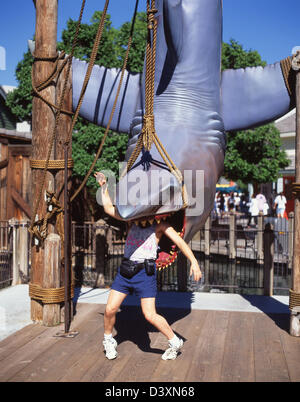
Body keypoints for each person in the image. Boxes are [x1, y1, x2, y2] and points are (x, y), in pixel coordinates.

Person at [94, 172, 202, 361]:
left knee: (150, 314)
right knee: (110, 309)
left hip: (145, 273)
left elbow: (180, 241)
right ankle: (108, 340)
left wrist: (194, 262)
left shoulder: (160, 225)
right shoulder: (130, 220)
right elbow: (109, 208)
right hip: (126, 271)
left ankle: (174, 341)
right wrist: (104, 185)